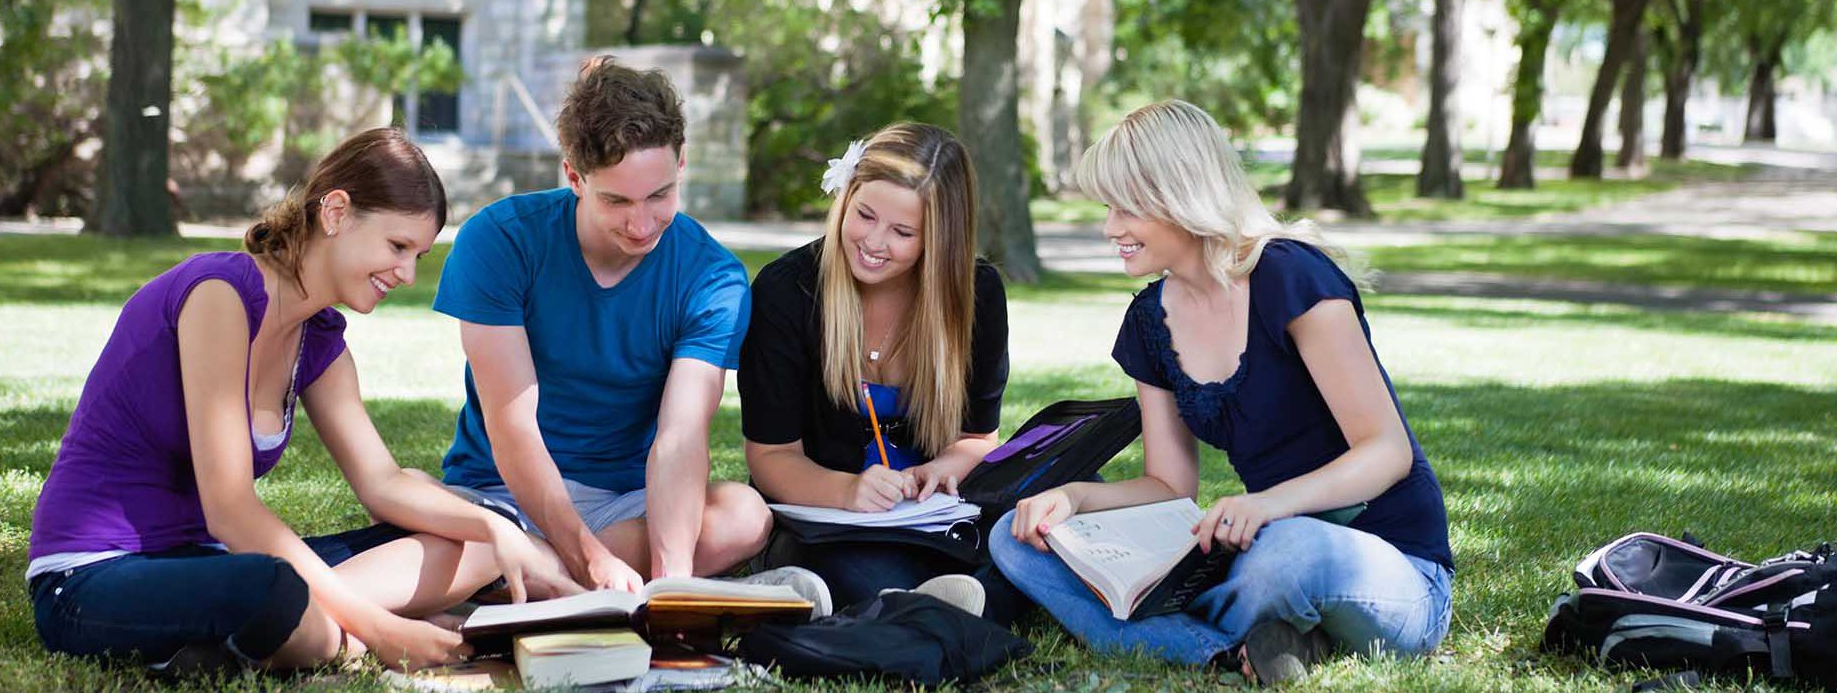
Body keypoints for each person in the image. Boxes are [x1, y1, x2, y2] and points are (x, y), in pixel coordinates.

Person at [26, 128, 565, 677]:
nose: (406, 274)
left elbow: (382, 484)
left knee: (472, 543)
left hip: (208, 566)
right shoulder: (220, 294)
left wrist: (496, 528)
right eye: (397, 246)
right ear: (335, 212)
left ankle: (267, 640)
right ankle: (339, 635)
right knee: (273, 588)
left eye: (418, 255)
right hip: (94, 575)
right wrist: (383, 631)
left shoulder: (321, 341)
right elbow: (230, 510)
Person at [990, 101, 1453, 684]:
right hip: (1258, 550)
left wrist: (1265, 505)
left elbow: (1386, 451)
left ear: (1179, 195)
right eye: (1108, 208)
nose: (1110, 228)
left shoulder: (1291, 276)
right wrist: (1074, 499)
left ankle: (1186, 633)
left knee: (1289, 554)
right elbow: (1168, 485)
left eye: (1125, 208)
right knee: (1015, 539)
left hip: (1388, 565)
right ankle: (1247, 646)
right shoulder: (1148, 322)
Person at [434, 60, 780, 594]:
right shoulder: (499, 241)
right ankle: (536, 573)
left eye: (659, 196)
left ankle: (518, 580)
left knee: (744, 515)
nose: (641, 225)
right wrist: (588, 555)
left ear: (681, 164)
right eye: (617, 200)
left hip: (629, 501)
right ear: (574, 176)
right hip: (504, 491)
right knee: (471, 538)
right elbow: (514, 431)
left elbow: (680, 438)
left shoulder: (713, 276)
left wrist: (674, 586)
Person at [739, 124, 1018, 621]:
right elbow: (771, 457)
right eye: (864, 215)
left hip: (932, 517)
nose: (873, 241)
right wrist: (848, 491)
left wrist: (942, 469)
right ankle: (945, 602)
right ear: (845, 198)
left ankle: (937, 600)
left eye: (903, 232)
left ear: (940, 239)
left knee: (1053, 502)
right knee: (865, 572)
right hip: (834, 519)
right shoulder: (788, 292)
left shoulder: (977, 295)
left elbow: (977, 438)